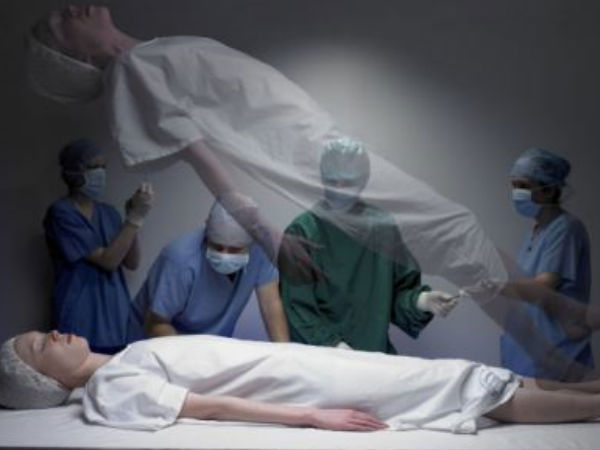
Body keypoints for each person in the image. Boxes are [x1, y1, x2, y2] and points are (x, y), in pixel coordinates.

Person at [2, 330, 600, 433]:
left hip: (304, 364)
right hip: (305, 388)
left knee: (448, 374)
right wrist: (313, 417)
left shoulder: (127, 354)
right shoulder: (110, 387)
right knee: (451, 385)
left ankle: (588, 391)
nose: (53, 333)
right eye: (39, 346)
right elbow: (204, 407)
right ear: (40, 380)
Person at [280, 138, 458, 353]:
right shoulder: (302, 232)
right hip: (322, 360)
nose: (339, 189)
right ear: (322, 178)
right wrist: (333, 346)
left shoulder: (381, 228)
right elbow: (296, 306)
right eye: (332, 182)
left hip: (374, 354)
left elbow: (396, 294)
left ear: (363, 180)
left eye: (347, 183)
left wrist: (422, 301)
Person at [44, 138, 154, 354]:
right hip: (79, 315)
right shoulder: (61, 213)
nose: (101, 173)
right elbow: (108, 261)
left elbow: (132, 262)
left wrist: (131, 217)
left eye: (104, 167)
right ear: (73, 171)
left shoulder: (109, 213)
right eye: (94, 167)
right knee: (77, 368)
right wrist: (134, 219)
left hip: (115, 316)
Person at [128, 197, 289, 342]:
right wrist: (192, 359)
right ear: (206, 233)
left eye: (235, 250)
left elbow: (271, 304)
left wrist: (285, 354)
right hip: (155, 342)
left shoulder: (260, 249)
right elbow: (156, 323)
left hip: (209, 348)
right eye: (217, 247)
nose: (225, 255)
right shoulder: (180, 259)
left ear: (251, 243)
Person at [498, 148, 593, 381]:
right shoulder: (537, 231)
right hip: (525, 352)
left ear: (549, 190)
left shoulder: (566, 228)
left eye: (523, 186)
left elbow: (543, 286)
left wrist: (496, 286)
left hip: (555, 353)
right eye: (513, 185)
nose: (516, 193)